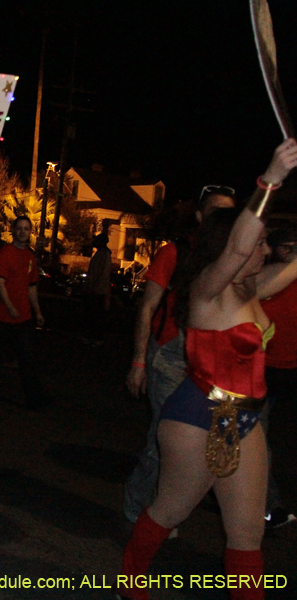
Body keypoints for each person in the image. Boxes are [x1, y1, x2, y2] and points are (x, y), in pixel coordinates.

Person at [117, 139, 297, 600]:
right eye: (259, 242)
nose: (265, 248)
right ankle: (130, 582)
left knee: (246, 536)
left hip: (247, 416)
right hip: (197, 414)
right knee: (170, 510)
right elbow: (238, 248)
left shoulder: (251, 287)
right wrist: (271, 179)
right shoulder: (206, 288)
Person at [123, 187, 236, 523]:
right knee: (166, 438)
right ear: (200, 217)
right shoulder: (174, 253)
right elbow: (148, 307)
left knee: (205, 441)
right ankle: (141, 508)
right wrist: (139, 361)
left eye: (228, 213)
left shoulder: (232, 260)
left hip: (212, 359)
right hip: (171, 356)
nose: (221, 220)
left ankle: (168, 508)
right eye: (215, 211)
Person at [0, 215, 47, 410]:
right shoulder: (4, 253)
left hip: (23, 317)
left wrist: (38, 311)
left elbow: (32, 287)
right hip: (0, 315)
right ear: (13, 230)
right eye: (19, 228)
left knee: (27, 357)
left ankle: (33, 398)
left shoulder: (30, 257)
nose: (23, 232)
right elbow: (0, 282)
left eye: (26, 229)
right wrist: (9, 305)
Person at [257, 223, 297, 529]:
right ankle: (269, 507)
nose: (292, 252)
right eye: (288, 246)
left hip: (291, 368)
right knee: (256, 438)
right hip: (263, 368)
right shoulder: (265, 276)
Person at [82, 232, 112, 346]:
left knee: (96, 315)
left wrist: (94, 288)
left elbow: (102, 274)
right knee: (93, 315)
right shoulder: (100, 254)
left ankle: (96, 337)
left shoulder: (104, 255)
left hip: (97, 291)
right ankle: (93, 336)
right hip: (96, 290)